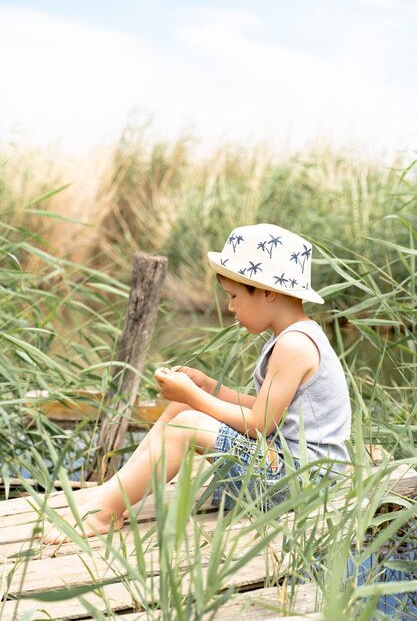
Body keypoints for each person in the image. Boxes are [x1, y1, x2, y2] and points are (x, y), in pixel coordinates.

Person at [43, 223, 351, 544]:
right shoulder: (292, 337)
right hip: (286, 471)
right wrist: (207, 388)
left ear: (268, 292)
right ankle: (110, 495)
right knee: (185, 405)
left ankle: (103, 513)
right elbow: (268, 411)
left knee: (187, 423)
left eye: (233, 295)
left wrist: (194, 396)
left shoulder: (294, 345)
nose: (230, 307)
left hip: (302, 484)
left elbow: (260, 423)